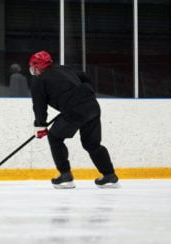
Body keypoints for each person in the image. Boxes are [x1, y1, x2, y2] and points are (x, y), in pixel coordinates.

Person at [28, 50, 119, 189]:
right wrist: (83, 96)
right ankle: (109, 176)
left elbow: (39, 106)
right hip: (92, 106)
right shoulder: (64, 69)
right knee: (92, 145)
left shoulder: (39, 81)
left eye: (33, 67)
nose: (33, 71)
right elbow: (84, 77)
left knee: (54, 137)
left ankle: (65, 176)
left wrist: (40, 125)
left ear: (38, 66)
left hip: (74, 112)